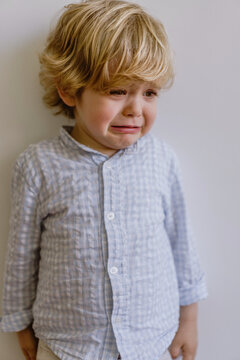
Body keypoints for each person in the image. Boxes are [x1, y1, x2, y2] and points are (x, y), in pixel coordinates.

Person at [0, 1, 208, 359]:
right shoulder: (39, 165)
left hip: (151, 343)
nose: (136, 109)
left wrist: (188, 319)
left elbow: (181, 245)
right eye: (117, 91)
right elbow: (21, 256)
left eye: (150, 93)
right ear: (69, 90)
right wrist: (20, 324)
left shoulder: (161, 160)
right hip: (67, 346)